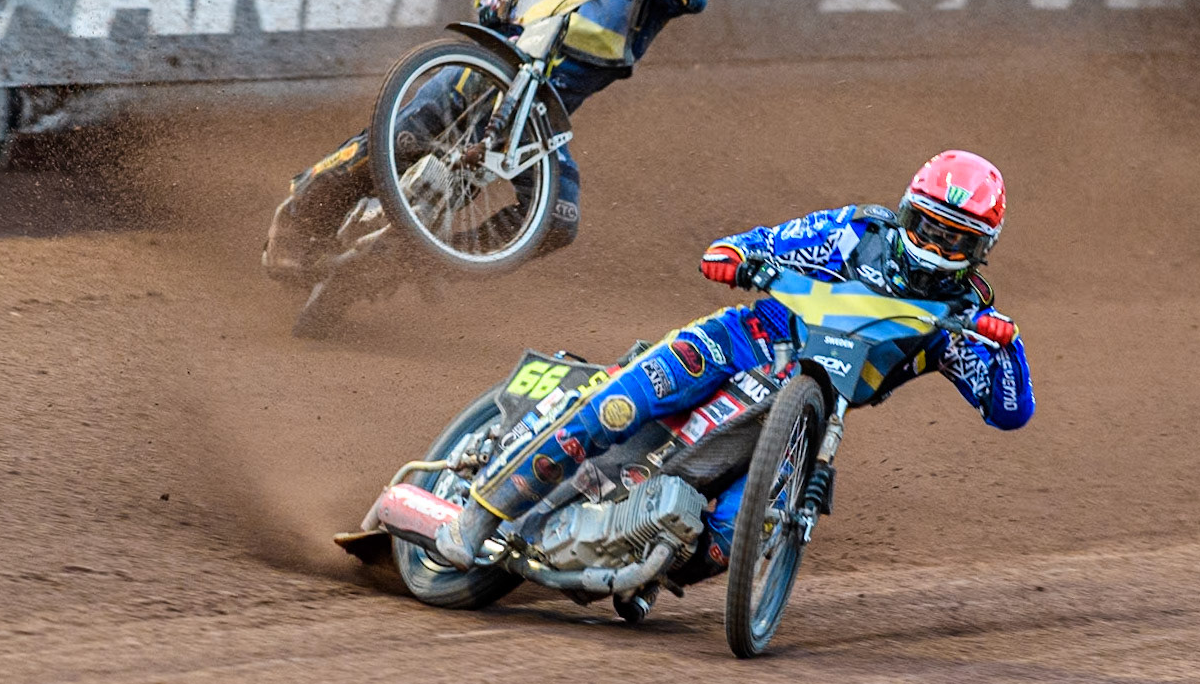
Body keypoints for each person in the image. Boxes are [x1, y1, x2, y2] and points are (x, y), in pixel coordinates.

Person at [434, 149, 1036, 571]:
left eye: (953, 239)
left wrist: (1008, 345)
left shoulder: (967, 316)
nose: (933, 245)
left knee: (730, 538)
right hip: (744, 340)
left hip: (810, 415)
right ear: (905, 212)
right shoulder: (856, 232)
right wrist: (734, 255)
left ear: (980, 248)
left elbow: (1010, 412)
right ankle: (476, 520)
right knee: (616, 407)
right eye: (926, 227)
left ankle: (642, 564)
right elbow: (766, 242)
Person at [263, 0, 708, 280]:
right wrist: (498, 1)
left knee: (558, 219)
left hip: (538, 116)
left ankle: (439, 257)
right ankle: (303, 213)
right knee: (404, 136)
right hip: (489, 71)